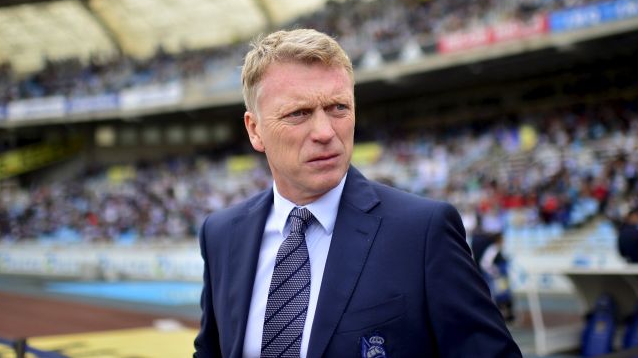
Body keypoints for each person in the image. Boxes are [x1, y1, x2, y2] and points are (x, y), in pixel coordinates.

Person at [194, 29, 521, 357]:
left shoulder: (422, 232)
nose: (325, 132)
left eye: (338, 108)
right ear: (255, 130)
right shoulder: (222, 235)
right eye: (299, 113)